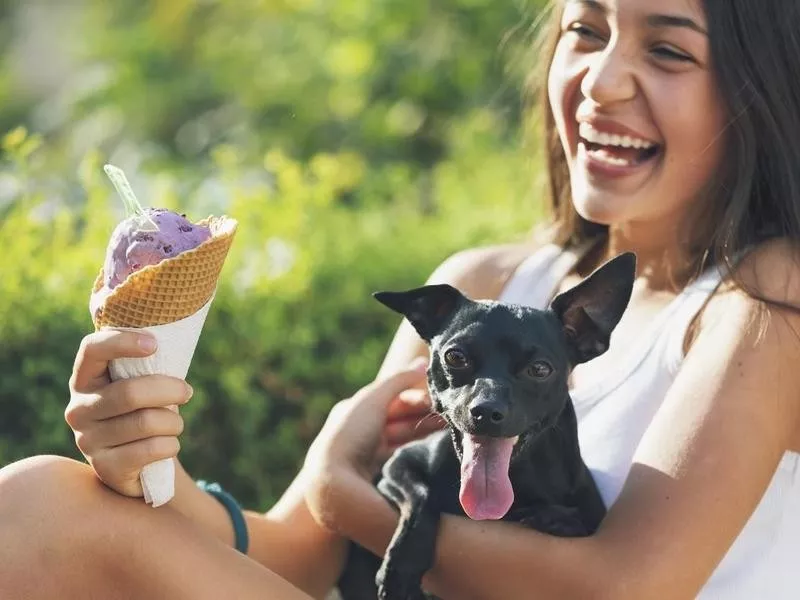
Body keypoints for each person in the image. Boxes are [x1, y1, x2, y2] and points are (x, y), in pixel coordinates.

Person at [2, 0, 800, 597]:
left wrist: (341, 489)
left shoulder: (766, 301)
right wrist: (147, 465)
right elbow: (299, 557)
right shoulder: (488, 290)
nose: (603, 78)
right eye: (585, 32)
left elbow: (622, 588)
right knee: (41, 500)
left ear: (759, 86)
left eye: (667, 50)